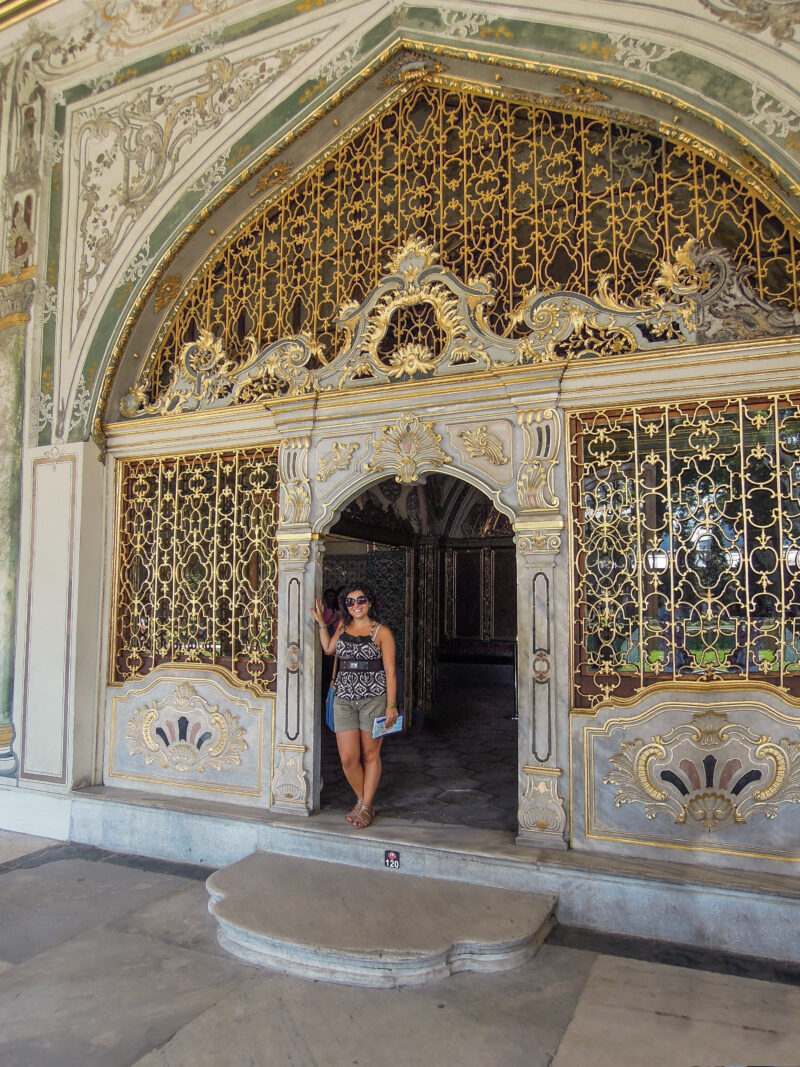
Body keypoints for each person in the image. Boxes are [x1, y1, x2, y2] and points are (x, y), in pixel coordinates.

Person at [310, 583, 398, 828]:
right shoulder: (343, 626)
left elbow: (390, 672)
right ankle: (362, 800)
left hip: (374, 699)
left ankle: (366, 806)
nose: (356, 605)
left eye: (360, 600)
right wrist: (321, 623)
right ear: (345, 606)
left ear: (369, 602)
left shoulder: (382, 632)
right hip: (344, 699)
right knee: (348, 758)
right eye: (350, 602)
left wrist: (391, 705)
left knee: (371, 755)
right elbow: (329, 649)